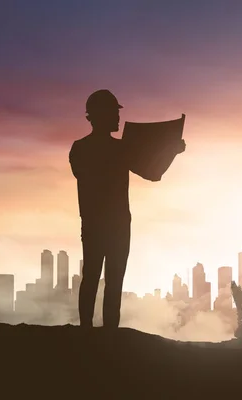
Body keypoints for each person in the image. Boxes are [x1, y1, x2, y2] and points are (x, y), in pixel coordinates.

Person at [69, 89, 186, 328]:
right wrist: (169, 151)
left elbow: (152, 173)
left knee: (94, 277)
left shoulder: (83, 148)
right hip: (114, 224)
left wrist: (170, 151)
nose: (118, 117)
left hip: (99, 224)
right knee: (108, 280)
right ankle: (103, 333)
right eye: (113, 112)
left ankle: (88, 331)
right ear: (100, 115)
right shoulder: (117, 149)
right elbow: (153, 173)